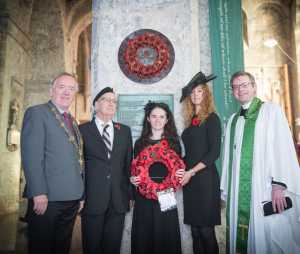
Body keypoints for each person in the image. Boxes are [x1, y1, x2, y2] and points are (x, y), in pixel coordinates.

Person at [221, 71, 300, 254]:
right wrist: (227, 188)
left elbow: (282, 147)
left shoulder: (271, 111)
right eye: (235, 87)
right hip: (239, 191)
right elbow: (228, 158)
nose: (240, 90)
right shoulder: (233, 120)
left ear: (254, 87)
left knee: (270, 237)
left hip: (263, 188)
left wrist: (278, 184)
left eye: (244, 85)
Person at [21, 72, 84, 254]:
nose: (66, 92)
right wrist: (38, 192)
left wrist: (81, 194)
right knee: (42, 247)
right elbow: (32, 156)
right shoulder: (37, 113)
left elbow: (78, 159)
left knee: (61, 248)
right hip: (47, 199)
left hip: (71, 198)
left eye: (71, 89)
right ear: (51, 91)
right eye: (61, 87)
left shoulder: (72, 121)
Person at [79, 87, 133, 254]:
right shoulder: (82, 130)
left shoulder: (124, 131)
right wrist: (80, 196)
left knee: (112, 247)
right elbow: (78, 167)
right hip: (92, 200)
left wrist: (130, 195)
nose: (111, 103)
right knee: (92, 247)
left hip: (118, 200)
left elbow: (128, 165)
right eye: (106, 99)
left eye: (114, 101)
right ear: (96, 105)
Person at [130, 101, 184, 254]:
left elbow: (178, 167)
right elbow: (135, 170)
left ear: (167, 120)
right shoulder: (140, 143)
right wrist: (133, 179)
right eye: (154, 116)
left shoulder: (174, 143)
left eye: (162, 117)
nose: (157, 120)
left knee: (166, 234)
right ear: (148, 118)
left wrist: (180, 173)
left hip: (166, 194)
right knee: (143, 235)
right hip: (144, 194)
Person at [180, 71, 221, 254]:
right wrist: (175, 165)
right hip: (191, 181)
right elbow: (189, 154)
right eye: (193, 92)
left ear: (206, 94)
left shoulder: (212, 119)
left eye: (199, 91)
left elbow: (214, 153)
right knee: (195, 232)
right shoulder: (190, 121)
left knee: (206, 231)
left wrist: (190, 172)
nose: (196, 95)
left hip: (205, 180)